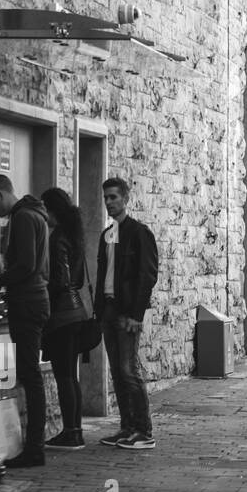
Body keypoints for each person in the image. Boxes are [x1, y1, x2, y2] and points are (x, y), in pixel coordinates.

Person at [0, 174, 51, 470]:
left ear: (0, 193)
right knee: (30, 375)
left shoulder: (23, 218)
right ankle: (34, 446)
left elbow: (25, 264)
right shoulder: (33, 215)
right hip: (34, 299)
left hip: (27, 302)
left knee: (29, 375)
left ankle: (34, 448)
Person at [94, 177, 159, 451]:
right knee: (118, 372)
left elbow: (147, 275)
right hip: (108, 309)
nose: (109, 202)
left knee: (129, 369)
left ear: (125, 199)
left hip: (127, 312)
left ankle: (144, 431)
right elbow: (103, 275)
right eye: (106, 198)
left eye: (113, 197)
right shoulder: (107, 234)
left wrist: (136, 313)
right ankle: (127, 427)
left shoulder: (138, 233)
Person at [40, 187, 92, 451]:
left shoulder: (58, 237)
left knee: (63, 376)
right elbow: (78, 279)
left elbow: (59, 280)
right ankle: (76, 430)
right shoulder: (75, 236)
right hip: (77, 313)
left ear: (51, 210)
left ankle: (70, 433)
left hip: (61, 315)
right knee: (70, 376)